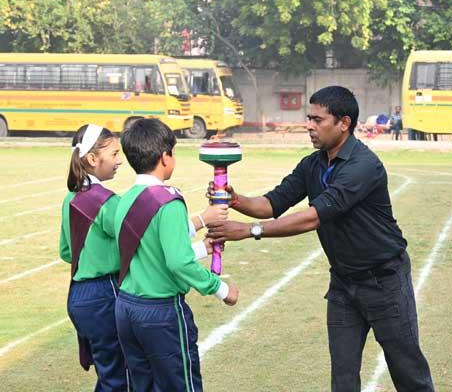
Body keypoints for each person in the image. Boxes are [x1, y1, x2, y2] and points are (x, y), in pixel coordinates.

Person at [207, 86, 435, 392]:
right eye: (309, 118)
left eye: (318, 120)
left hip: (384, 282)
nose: (309, 126)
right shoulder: (312, 164)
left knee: (409, 373)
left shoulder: (363, 166)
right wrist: (236, 200)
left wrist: (250, 231)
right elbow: (272, 203)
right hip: (343, 283)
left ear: (344, 123)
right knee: (343, 379)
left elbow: (314, 217)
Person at [114, 118, 238, 392]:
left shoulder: (125, 199)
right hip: (160, 312)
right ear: (164, 157)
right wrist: (220, 289)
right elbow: (178, 262)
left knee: (142, 386)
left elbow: (150, 248)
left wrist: (201, 244)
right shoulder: (168, 201)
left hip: (126, 308)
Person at [59, 124, 130, 391]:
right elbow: (141, 239)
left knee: (110, 375)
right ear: (92, 158)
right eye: (114, 154)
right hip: (105, 294)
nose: (119, 161)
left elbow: (66, 252)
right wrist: (200, 222)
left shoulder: (71, 197)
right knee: (119, 378)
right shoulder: (106, 202)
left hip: (79, 296)